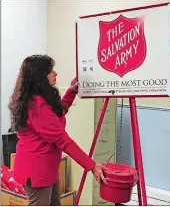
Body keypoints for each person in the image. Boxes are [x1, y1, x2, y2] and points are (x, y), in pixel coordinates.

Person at [8, 55, 106, 206]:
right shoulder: (35, 104)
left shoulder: (40, 98)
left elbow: (56, 115)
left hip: (47, 167)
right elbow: (62, 139)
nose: (55, 73)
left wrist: (71, 92)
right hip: (37, 170)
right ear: (39, 76)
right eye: (50, 70)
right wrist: (91, 166)